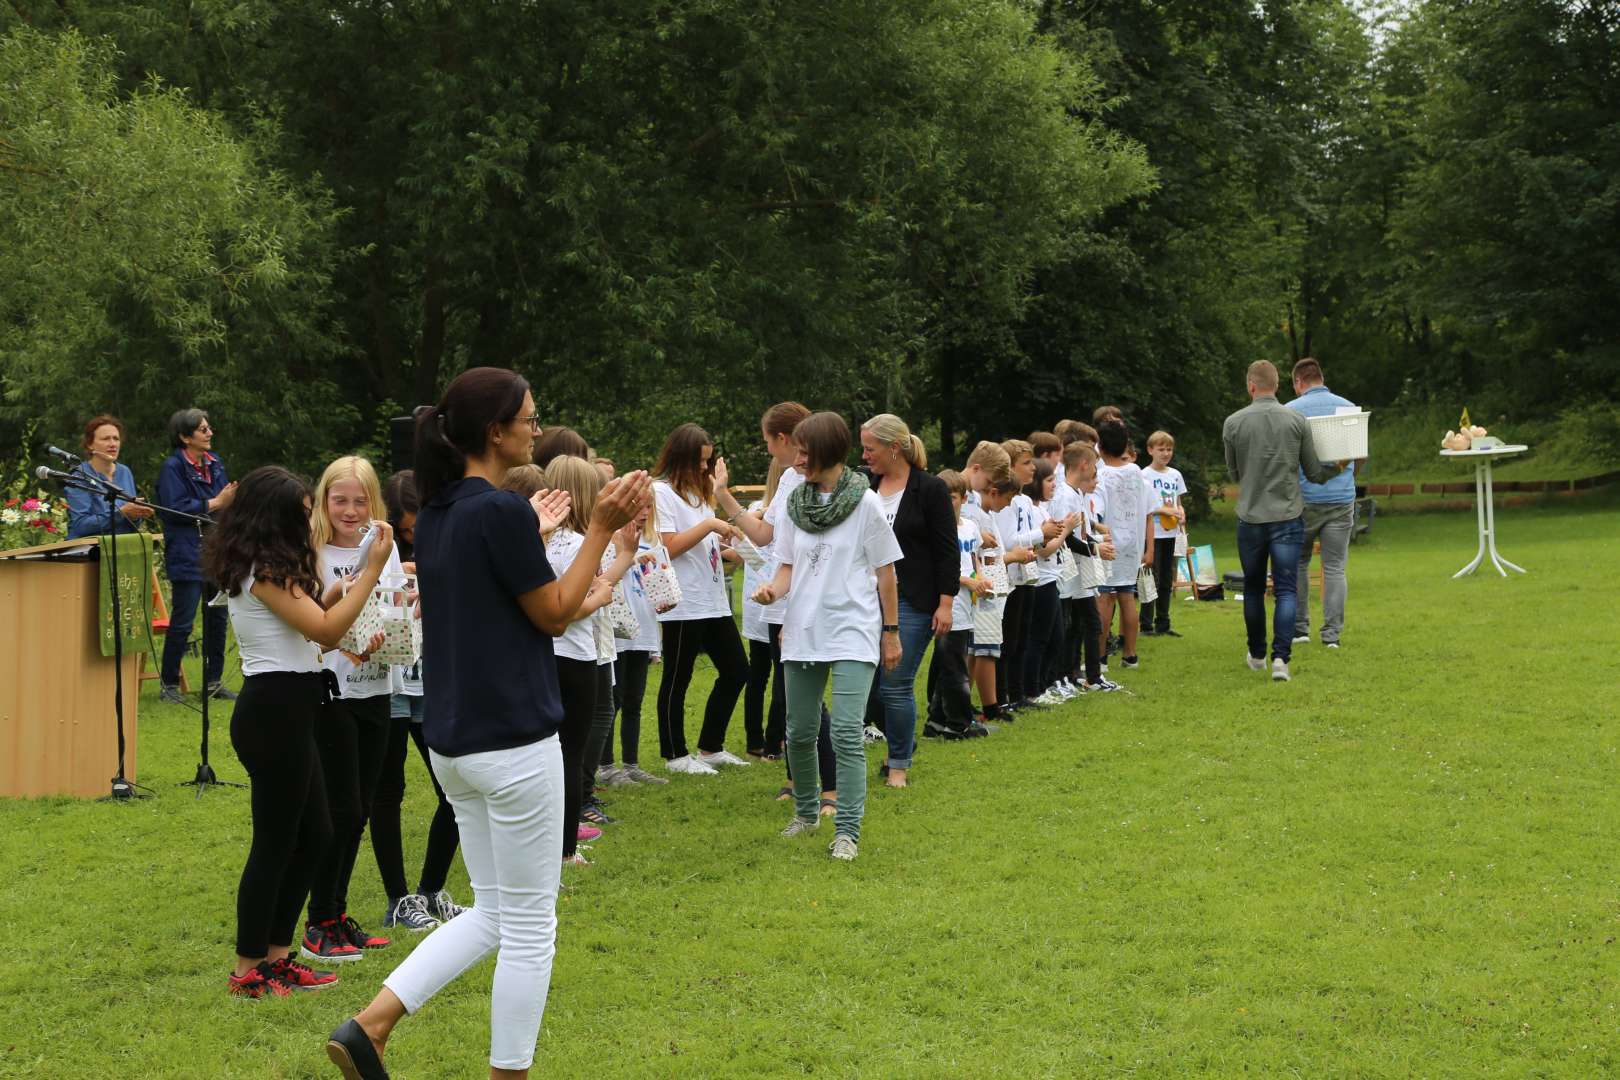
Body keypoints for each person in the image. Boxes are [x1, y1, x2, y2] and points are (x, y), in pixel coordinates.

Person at [326, 366, 648, 1080]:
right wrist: (600, 529)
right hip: (513, 743)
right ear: (496, 431)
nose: (537, 427)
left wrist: (537, 530)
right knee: (531, 927)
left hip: (457, 746)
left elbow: (500, 594)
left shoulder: (443, 510)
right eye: (529, 418)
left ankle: (369, 1026)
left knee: (494, 913)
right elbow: (555, 613)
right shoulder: (496, 511)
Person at [203, 465, 394, 998]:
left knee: (314, 835)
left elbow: (314, 636)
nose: (309, 521)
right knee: (275, 842)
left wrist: (335, 595)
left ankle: (277, 956)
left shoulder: (266, 567)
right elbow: (327, 631)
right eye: (303, 512)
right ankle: (248, 969)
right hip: (274, 713)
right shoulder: (265, 570)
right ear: (275, 518)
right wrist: (372, 571)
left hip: (291, 706)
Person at [753, 412, 902, 861]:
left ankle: (848, 832)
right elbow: (787, 566)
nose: (797, 460)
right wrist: (773, 591)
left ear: (826, 452)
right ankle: (806, 813)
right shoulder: (795, 503)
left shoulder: (866, 503)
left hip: (853, 628)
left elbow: (886, 573)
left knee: (845, 732)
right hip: (803, 628)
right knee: (799, 732)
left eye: (804, 452)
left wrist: (891, 632)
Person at [301, 456, 408, 965]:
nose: (349, 510)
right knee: (338, 811)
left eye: (360, 501)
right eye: (339, 500)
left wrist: (405, 615)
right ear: (323, 501)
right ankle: (318, 921)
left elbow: (393, 603)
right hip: (331, 691)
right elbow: (309, 620)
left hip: (377, 688)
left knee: (361, 809)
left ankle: (337, 915)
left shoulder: (383, 546)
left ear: (374, 503)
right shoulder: (310, 551)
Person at [370, 470, 466, 935]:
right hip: (389, 683)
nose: (412, 534)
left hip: (433, 681)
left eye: (417, 525)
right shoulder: (376, 547)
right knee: (387, 793)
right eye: (405, 527)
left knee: (456, 788)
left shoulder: (444, 540)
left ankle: (430, 890)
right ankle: (398, 898)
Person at [542, 454, 638, 866]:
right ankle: (565, 850)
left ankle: (547, 844)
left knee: (546, 755)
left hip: (543, 657)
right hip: (575, 656)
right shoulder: (579, 545)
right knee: (570, 755)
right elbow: (571, 606)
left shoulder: (540, 541)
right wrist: (599, 596)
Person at [1222, 359, 1345, 682]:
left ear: (1251, 386)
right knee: (1286, 590)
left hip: (1251, 516)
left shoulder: (1233, 423)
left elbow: (1234, 473)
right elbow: (1314, 472)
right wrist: (1339, 467)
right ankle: (1281, 659)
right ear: (1277, 385)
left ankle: (1257, 654)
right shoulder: (1296, 420)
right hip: (1288, 516)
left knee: (1253, 589)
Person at [859, 413, 956, 789]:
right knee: (870, 686)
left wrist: (945, 603)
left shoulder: (929, 489)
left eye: (871, 448)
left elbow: (947, 551)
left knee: (896, 682)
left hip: (914, 601)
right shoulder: (864, 487)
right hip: (867, 599)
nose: (865, 455)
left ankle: (897, 764)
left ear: (894, 448)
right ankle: (901, 739)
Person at [650, 423, 751, 775]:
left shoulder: (699, 496)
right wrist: (710, 526)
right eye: (700, 462)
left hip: (712, 600)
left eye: (708, 461)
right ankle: (675, 755)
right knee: (678, 678)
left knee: (737, 670)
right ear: (680, 459)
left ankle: (710, 747)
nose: (705, 468)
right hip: (683, 603)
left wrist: (729, 551)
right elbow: (669, 545)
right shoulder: (661, 492)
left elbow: (701, 545)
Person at [156, 407, 236, 703]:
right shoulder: (172, 467)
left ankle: (213, 681)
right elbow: (173, 509)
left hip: (216, 550)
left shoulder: (215, 462)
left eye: (208, 427)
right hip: (186, 552)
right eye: (203, 429)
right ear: (184, 437)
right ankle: (169, 684)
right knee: (184, 620)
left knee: (218, 617)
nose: (210, 433)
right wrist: (216, 502)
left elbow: (224, 503)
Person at [1285, 358, 1357, 649]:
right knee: (1335, 568)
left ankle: (1300, 629)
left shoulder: (1289, 411)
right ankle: (1332, 635)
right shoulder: (1348, 408)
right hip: (1341, 498)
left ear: (1298, 382)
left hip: (1302, 500)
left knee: (1298, 564)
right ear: (1321, 378)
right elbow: (1360, 454)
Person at [923, 470, 988, 740]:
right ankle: (959, 723)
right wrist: (966, 581)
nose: (947, 503)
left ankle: (936, 721)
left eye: (951, 497)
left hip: (967, 604)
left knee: (947, 663)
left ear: (963, 498)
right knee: (955, 666)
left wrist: (980, 579)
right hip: (949, 605)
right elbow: (936, 567)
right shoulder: (933, 529)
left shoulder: (970, 527)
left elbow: (974, 558)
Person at [1094, 419, 1149, 673]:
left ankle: (1100, 658)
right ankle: (1130, 655)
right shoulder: (1136, 471)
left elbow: (1098, 511)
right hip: (1132, 543)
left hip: (1109, 542)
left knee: (1105, 598)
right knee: (1127, 597)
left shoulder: (1101, 475)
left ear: (1101, 446)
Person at [65, 414, 153, 539]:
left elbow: (131, 525)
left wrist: (136, 515)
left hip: (122, 545)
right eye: (106, 439)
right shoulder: (79, 475)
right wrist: (121, 513)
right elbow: (80, 525)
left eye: (116, 439)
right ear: (90, 444)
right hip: (89, 548)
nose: (113, 444)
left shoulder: (125, 472)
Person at [1140, 431, 1188, 637]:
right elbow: (1144, 506)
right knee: (1152, 578)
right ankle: (1146, 625)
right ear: (1150, 450)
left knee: (1167, 579)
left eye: (1169, 449)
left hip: (1171, 534)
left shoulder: (1175, 474)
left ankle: (1163, 623)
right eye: (1161, 449)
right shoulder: (1144, 475)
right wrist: (1164, 511)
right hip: (1152, 534)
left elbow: (1178, 502)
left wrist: (1181, 512)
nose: (1166, 453)